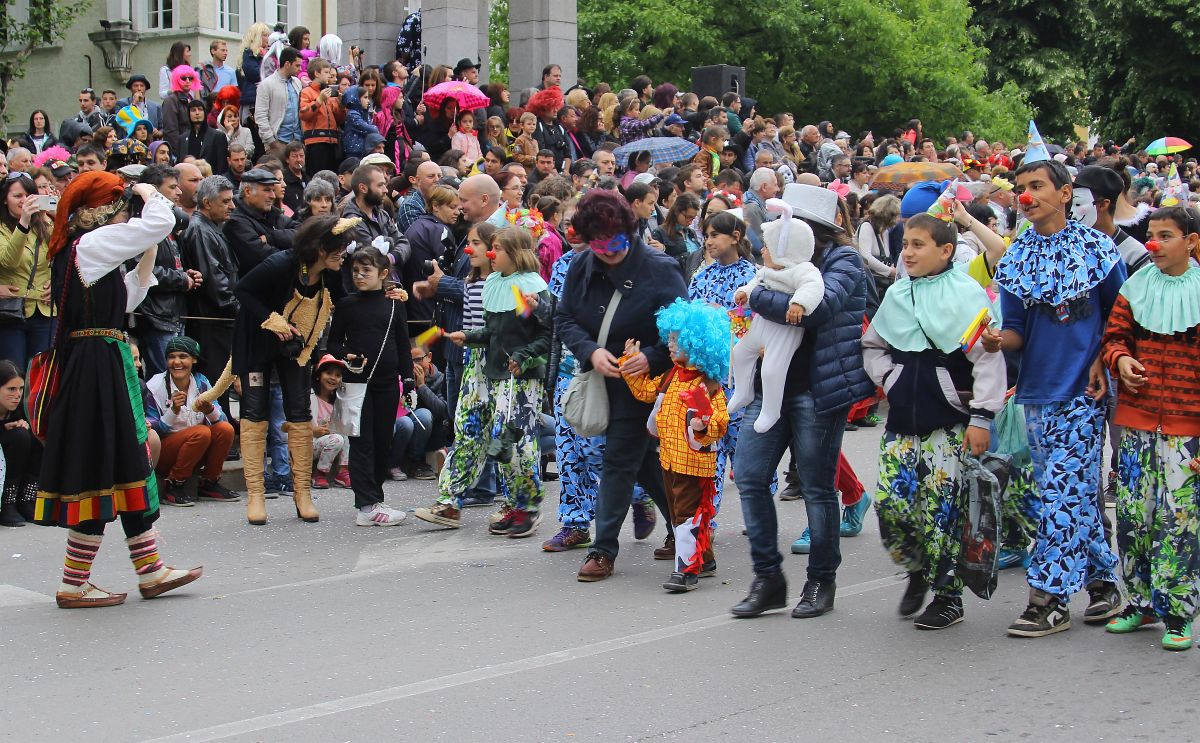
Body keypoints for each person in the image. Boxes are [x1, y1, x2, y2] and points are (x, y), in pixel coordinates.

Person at [35, 173, 202, 608]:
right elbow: (160, 222)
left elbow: (127, 299)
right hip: (95, 367)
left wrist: (144, 254)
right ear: (101, 211)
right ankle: (77, 582)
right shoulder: (88, 246)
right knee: (103, 463)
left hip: (101, 362)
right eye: (120, 207)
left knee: (124, 460)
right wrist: (149, 194)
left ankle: (149, 569)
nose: (126, 214)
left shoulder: (88, 251)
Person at [982, 154, 1125, 637]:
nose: (1027, 195)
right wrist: (998, 339)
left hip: (1084, 390)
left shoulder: (1099, 251)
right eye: (1021, 186)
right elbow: (1018, 332)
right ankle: (1105, 582)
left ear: (1065, 193)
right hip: (1036, 392)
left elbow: (1119, 322)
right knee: (1070, 493)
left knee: (1061, 491)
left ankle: (1049, 599)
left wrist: (1101, 360)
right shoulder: (1018, 256)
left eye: (1037, 185)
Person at [730, 183, 874, 620]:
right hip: (770, 384)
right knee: (750, 475)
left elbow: (816, 309)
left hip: (818, 389)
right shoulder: (777, 263)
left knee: (816, 485)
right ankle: (768, 578)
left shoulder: (842, 260)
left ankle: (820, 580)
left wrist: (755, 295)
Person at [861, 212, 1005, 629]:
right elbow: (873, 345)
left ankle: (948, 596)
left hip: (950, 423)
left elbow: (988, 360)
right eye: (905, 244)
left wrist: (981, 416)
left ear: (946, 250)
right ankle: (917, 569)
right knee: (892, 504)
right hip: (902, 420)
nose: (907, 252)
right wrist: (890, 378)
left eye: (918, 244)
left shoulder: (967, 293)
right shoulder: (897, 293)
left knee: (942, 511)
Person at [557, 190, 686, 581]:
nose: (608, 253)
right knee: (643, 462)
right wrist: (591, 351)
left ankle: (603, 550)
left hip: (643, 382)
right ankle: (688, 529)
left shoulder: (661, 269)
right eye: (599, 245)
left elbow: (681, 331)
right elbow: (565, 319)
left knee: (617, 459)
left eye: (616, 243)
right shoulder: (582, 265)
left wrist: (651, 355)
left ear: (630, 233)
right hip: (600, 375)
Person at [1101, 204, 1200, 651]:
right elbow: (1114, 336)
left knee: (1179, 521)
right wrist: (1121, 360)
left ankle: (1178, 613)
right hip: (1136, 423)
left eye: (1167, 235)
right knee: (1134, 518)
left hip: (1188, 429)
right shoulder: (1135, 286)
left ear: (1191, 241)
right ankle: (1139, 603)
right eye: (1153, 234)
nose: (1155, 244)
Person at [413, 225, 553, 536]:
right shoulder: (493, 283)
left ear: (514, 255)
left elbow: (546, 334)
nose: (490, 254)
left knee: (512, 441)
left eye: (496, 249)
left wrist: (524, 356)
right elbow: (493, 333)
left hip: (520, 377)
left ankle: (525, 506)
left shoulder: (530, 288)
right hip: (486, 370)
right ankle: (449, 501)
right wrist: (472, 337)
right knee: (468, 431)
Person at [230, 213, 350, 525]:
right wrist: (271, 317)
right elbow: (242, 290)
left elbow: (346, 302)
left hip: (296, 345)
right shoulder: (281, 263)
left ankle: (302, 493)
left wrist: (382, 294)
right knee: (255, 411)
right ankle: (256, 495)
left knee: (299, 410)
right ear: (321, 248)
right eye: (338, 247)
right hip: (257, 339)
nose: (343, 253)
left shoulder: (331, 273)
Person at [621, 300, 730, 592]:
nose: (669, 345)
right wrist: (629, 364)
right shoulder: (671, 376)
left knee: (685, 513)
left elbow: (720, 420)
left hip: (695, 462)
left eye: (676, 340)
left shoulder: (708, 385)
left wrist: (704, 425)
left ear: (697, 345)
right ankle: (704, 559)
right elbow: (645, 392)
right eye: (669, 338)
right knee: (682, 511)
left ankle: (687, 569)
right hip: (669, 459)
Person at [326, 247, 413, 526]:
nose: (360, 276)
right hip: (355, 382)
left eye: (366, 271)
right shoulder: (347, 304)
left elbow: (403, 345)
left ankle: (375, 497)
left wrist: (408, 380)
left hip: (388, 383)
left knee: (382, 442)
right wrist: (347, 353)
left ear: (383, 274)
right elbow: (333, 343)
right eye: (355, 271)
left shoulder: (394, 304)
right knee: (361, 442)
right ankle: (365, 504)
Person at [728, 201, 825, 433]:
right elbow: (755, 283)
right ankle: (743, 390)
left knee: (772, 369)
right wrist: (744, 293)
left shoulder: (803, 270)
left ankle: (771, 410)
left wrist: (799, 303)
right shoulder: (767, 270)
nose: (762, 251)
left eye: (768, 247)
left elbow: (813, 287)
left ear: (785, 249)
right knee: (740, 353)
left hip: (786, 329)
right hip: (762, 323)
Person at [687, 210, 759, 512]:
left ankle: (757, 510)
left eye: (715, 234)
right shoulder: (701, 276)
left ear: (735, 237)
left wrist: (723, 316)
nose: (709, 242)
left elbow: (756, 325)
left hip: (741, 375)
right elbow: (688, 320)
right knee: (708, 449)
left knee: (745, 450)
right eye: (706, 236)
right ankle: (707, 521)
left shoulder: (754, 278)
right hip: (707, 377)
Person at [145, 336, 239, 506]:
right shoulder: (155, 386)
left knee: (226, 429)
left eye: (183, 356)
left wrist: (210, 411)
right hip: (165, 452)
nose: (176, 362)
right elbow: (152, 431)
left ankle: (209, 482)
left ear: (194, 359)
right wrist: (172, 411)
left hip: (195, 450)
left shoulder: (201, 382)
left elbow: (222, 419)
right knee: (201, 432)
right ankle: (173, 484)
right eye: (172, 357)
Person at [134, 164, 201, 378]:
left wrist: (187, 274)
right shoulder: (142, 224)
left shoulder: (170, 223)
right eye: (172, 187)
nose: (179, 192)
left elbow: (172, 264)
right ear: (154, 190)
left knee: (178, 381)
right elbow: (144, 272)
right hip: (156, 317)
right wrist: (181, 280)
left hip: (174, 313)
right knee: (164, 381)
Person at [0, 172, 54, 369]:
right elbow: (9, 261)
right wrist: (23, 223)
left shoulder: (44, 224)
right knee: (14, 372)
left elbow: (65, 257)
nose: (24, 201)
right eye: (17, 196)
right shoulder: (2, 227)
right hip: (12, 312)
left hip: (45, 311)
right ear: (5, 199)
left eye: (28, 195)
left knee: (42, 375)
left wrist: (56, 281)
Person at [341, 165, 409, 291]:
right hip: (369, 294)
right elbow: (372, 257)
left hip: (391, 286)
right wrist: (390, 247)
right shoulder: (351, 220)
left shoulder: (381, 213)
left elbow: (404, 243)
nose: (385, 190)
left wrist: (391, 257)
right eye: (380, 185)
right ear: (363, 188)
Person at [403, 183, 460, 335]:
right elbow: (446, 271)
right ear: (435, 206)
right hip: (428, 307)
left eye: (458, 208)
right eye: (452, 207)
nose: (457, 212)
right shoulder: (439, 230)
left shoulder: (418, 224)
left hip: (414, 304)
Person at [0, 361, 41, 526]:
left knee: (34, 436)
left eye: (21, 389)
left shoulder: (19, 407)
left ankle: (27, 499)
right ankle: (7, 504)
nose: (17, 394)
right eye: (11, 389)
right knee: (19, 437)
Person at [309, 354, 352, 489]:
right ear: (318, 375)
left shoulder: (339, 401)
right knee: (337, 438)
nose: (333, 378)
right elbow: (304, 426)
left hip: (329, 441)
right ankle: (320, 474)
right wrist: (315, 430)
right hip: (309, 443)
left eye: (338, 375)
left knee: (346, 431)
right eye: (328, 373)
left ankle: (343, 471)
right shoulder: (310, 396)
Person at [254, 47, 304, 157]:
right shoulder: (266, 84)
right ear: (287, 64)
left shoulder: (297, 82)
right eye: (297, 65)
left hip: (297, 140)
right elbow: (260, 115)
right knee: (278, 173)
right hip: (278, 142)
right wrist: (271, 141)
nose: (299, 69)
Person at [300, 58, 345, 176]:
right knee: (318, 177)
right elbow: (304, 115)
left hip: (333, 141)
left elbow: (340, 119)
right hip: (316, 142)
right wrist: (319, 100)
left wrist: (341, 104)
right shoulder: (307, 92)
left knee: (332, 176)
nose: (329, 75)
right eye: (326, 72)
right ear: (316, 73)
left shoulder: (329, 92)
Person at [161, 65, 201, 155]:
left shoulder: (192, 100)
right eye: (183, 78)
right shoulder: (171, 101)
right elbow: (170, 131)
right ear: (176, 79)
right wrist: (180, 152)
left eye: (190, 78)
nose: (187, 81)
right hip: (180, 151)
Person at [180, 99, 228, 171]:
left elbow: (222, 166)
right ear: (188, 114)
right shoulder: (182, 138)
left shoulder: (218, 136)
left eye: (200, 109)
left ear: (205, 112)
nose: (197, 113)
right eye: (193, 110)